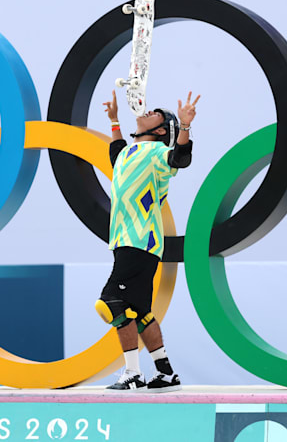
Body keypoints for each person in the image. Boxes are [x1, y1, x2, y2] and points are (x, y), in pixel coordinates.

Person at [94, 90, 199, 392]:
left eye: (155, 111)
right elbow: (116, 151)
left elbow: (181, 157)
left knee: (111, 302)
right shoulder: (127, 153)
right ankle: (166, 374)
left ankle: (131, 374)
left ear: (161, 129)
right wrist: (114, 119)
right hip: (126, 243)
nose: (146, 109)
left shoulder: (157, 156)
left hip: (140, 241)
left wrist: (186, 126)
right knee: (139, 311)